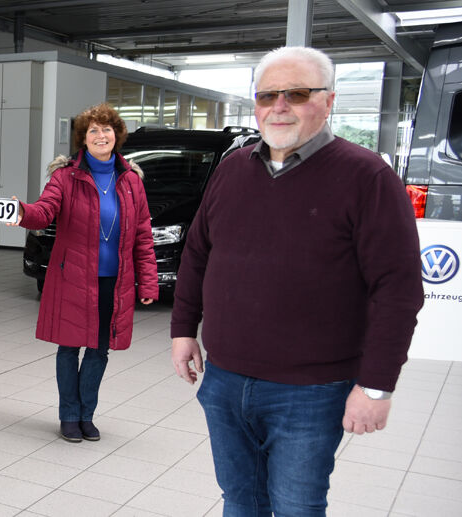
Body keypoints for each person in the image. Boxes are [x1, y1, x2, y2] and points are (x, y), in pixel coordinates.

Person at [170, 46, 423, 516]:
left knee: (296, 508)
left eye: (297, 93)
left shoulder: (367, 177)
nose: (279, 106)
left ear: (328, 102)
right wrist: (184, 329)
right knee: (240, 501)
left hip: (311, 391)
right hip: (224, 380)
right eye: (268, 95)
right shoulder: (232, 170)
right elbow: (199, 253)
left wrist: (376, 387)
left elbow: (398, 289)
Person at [9, 103, 158, 443]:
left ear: (116, 135)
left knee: (99, 350)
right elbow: (44, 212)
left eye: (106, 129)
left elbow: (142, 234)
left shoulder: (132, 181)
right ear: (83, 139)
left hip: (113, 282)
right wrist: (20, 212)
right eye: (93, 130)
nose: (100, 135)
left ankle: (86, 415)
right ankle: (68, 416)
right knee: (68, 348)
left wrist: (148, 280)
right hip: (72, 278)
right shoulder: (65, 177)